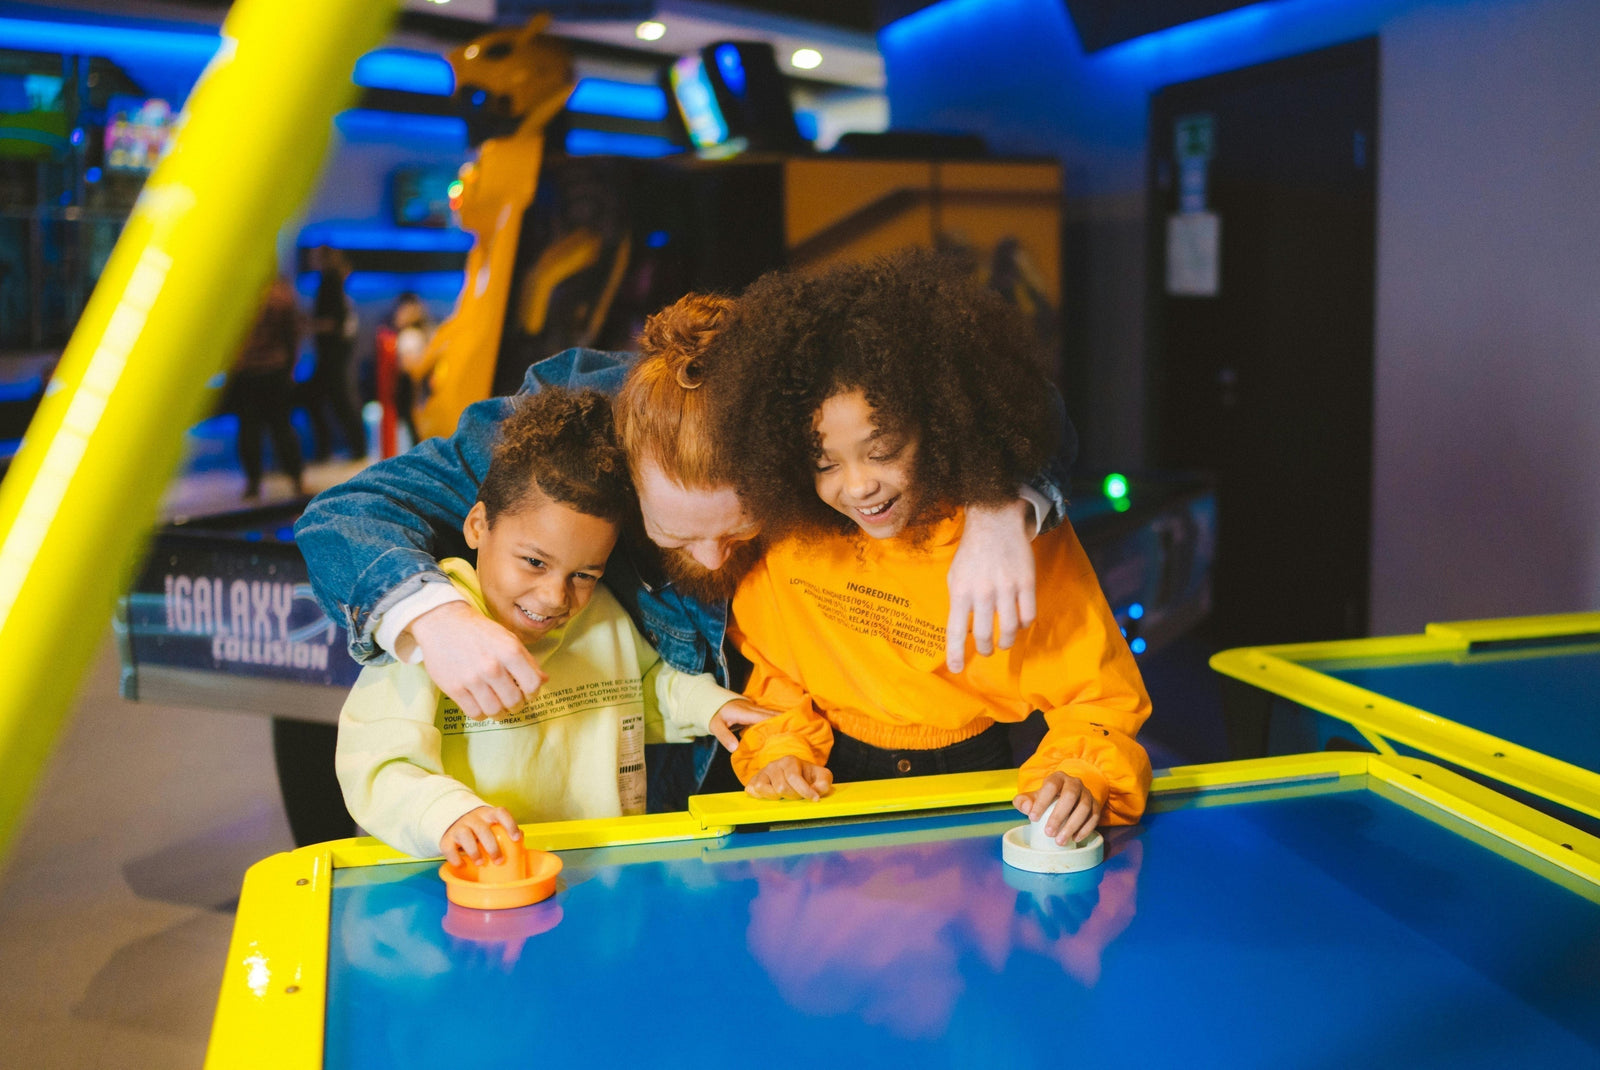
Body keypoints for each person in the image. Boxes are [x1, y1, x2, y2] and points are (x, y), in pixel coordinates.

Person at [296, 291, 1076, 811]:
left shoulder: (813, 403)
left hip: (822, 767)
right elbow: (350, 512)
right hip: (659, 794)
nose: (708, 560)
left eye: (741, 529)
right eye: (672, 534)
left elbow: (995, 388)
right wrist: (436, 619)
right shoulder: (573, 426)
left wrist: (999, 500)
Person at [706, 249, 1152, 845]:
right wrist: (782, 750)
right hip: (828, 794)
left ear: (942, 422)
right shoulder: (792, 540)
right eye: (823, 463)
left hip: (980, 782)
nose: (858, 485)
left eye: (883, 450)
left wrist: (1080, 774)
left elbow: (1098, 697)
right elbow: (776, 675)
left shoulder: (1012, 535)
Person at [335, 387, 762, 862]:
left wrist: (708, 705)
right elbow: (375, 764)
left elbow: (638, 690)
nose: (556, 597)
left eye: (584, 574)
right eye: (534, 562)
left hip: (604, 874)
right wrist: (446, 815)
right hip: (474, 887)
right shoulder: (425, 633)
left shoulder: (601, 612)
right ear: (477, 526)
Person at [229, 274, 305, 499]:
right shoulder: (280, 294)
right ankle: (296, 480)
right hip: (275, 369)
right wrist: (291, 366)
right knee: (282, 428)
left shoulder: (237, 295)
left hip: (245, 371)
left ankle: (253, 484)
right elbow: (293, 333)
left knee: (249, 430)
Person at [304, 246, 367, 461]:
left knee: (333, 399)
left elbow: (334, 322)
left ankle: (342, 449)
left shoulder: (328, 281)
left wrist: (308, 325)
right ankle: (353, 447)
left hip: (332, 353)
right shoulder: (336, 281)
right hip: (338, 352)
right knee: (338, 399)